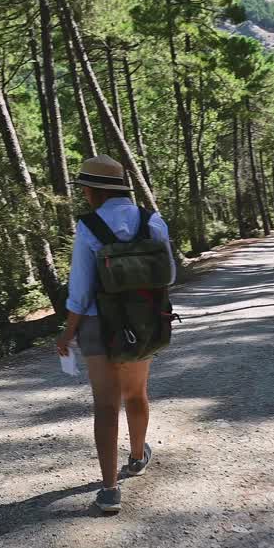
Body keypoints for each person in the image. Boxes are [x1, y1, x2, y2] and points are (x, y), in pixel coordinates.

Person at [57, 155, 175, 513]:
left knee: (106, 405)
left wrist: (68, 331)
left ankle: (109, 491)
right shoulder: (151, 220)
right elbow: (168, 274)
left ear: (93, 191)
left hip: (98, 323)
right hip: (143, 321)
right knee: (136, 393)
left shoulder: (89, 226)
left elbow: (80, 288)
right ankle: (137, 458)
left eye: (85, 190)